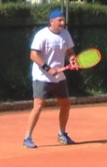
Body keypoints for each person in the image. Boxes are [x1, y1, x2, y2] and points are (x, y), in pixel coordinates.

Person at [23, 9, 78, 149]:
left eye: (63, 20)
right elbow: (33, 55)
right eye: (59, 20)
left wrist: (72, 59)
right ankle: (27, 138)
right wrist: (48, 69)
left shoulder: (65, 34)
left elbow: (70, 51)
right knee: (38, 106)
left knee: (65, 104)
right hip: (41, 77)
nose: (62, 23)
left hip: (59, 78)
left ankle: (62, 134)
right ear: (51, 21)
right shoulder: (42, 35)